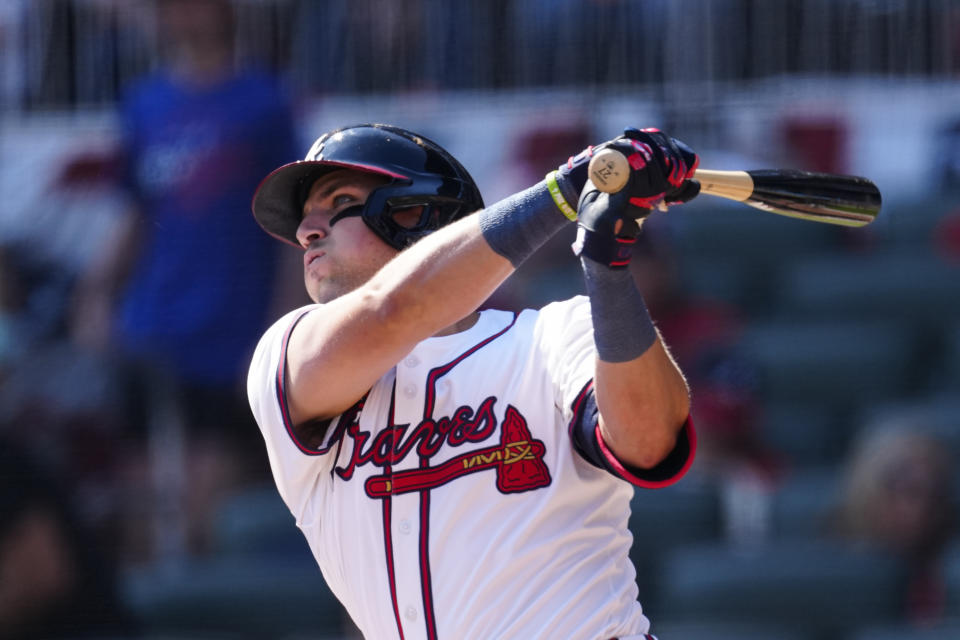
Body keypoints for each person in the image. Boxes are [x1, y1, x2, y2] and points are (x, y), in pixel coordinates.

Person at [247, 123, 700, 639]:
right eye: (305, 217)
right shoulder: (286, 353)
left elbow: (648, 442)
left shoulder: (553, 333)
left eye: (339, 201)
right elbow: (393, 310)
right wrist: (567, 189)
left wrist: (609, 265)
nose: (307, 230)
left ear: (418, 213)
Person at [70, 0, 300, 556]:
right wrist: (97, 294)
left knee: (206, 517)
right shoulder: (145, 103)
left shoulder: (264, 102)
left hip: (229, 333)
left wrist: (281, 328)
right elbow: (136, 213)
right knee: (142, 513)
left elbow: (291, 227)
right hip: (153, 329)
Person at [831, 423, 957, 626]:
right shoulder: (826, 574)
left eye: (934, 494)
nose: (919, 508)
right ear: (867, 490)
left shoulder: (943, 582)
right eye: (906, 490)